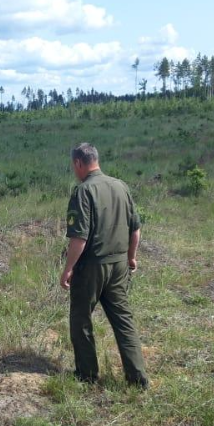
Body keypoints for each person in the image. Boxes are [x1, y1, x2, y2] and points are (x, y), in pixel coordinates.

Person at [60, 143, 149, 388]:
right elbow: (136, 229)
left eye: (73, 166)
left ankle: (87, 375)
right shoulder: (121, 186)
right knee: (123, 320)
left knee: (81, 318)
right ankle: (137, 378)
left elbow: (80, 237)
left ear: (79, 163)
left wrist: (68, 268)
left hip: (92, 267)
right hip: (119, 264)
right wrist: (131, 257)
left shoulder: (83, 191)